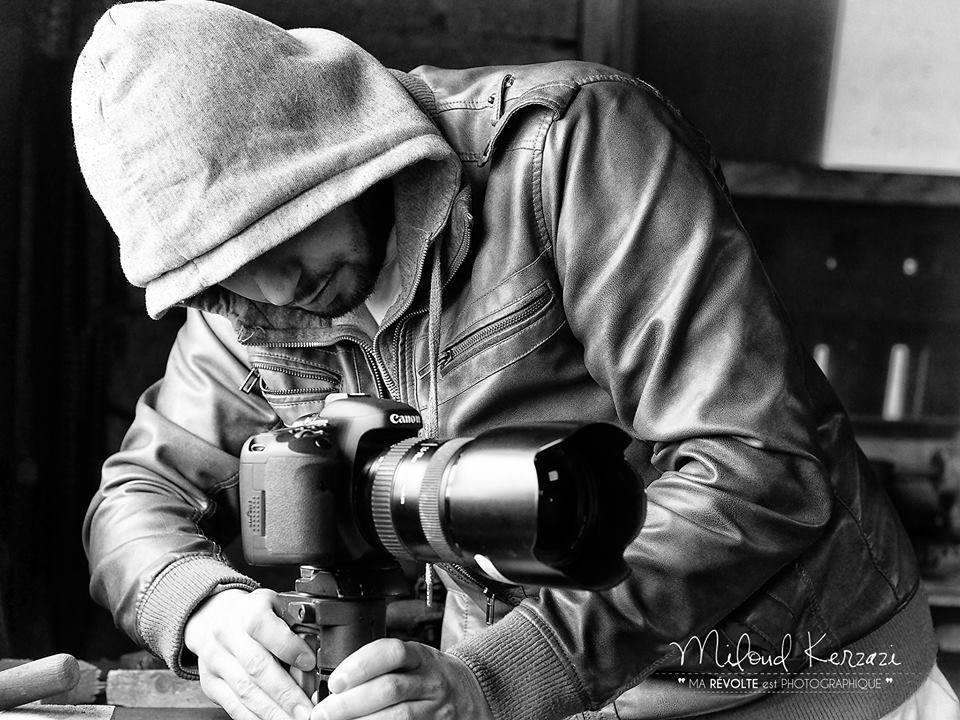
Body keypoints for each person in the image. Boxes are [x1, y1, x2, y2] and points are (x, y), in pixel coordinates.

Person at [71, 2, 957, 719]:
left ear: (334, 145)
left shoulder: (570, 146)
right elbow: (135, 497)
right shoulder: (249, 302)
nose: (276, 288)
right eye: (221, 271)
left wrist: (497, 681)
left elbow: (759, 466)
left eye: (279, 229)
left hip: (790, 684)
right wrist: (203, 606)